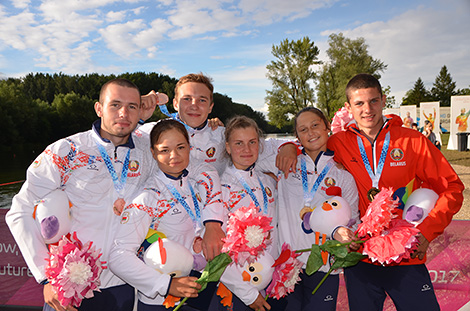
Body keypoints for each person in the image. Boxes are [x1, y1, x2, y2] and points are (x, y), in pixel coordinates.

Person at [5, 78, 160, 311]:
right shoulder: (66, 150)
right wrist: (45, 276)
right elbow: (20, 210)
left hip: (124, 284)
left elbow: (184, 133)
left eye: (132, 107)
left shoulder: (149, 151)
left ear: (140, 112)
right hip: (71, 284)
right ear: (99, 108)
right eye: (115, 105)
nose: (123, 113)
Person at [327, 73, 464, 311]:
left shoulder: (413, 141)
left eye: (373, 101)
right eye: (359, 103)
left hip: (406, 253)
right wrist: (288, 148)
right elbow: (307, 148)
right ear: (348, 107)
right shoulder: (338, 143)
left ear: (383, 100)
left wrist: (427, 231)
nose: (367, 109)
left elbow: (452, 187)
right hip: (360, 256)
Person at [109, 119, 224, 310]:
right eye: (164, 150)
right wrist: (167, 284)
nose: (174, 155)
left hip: (201, 294)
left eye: (180, 147)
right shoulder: (148, 197)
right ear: (153, 153)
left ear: (189, 147)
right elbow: (118, 256)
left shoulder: (200, 185)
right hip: (160, 302)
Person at [272, 107, 360, 311]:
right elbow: (253, 149)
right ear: (296, 136)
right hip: (287, 267)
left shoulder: (343, 174)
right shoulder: (285, 163)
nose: (310, 133)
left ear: (327, 126)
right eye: (303, 129)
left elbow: (352, 220)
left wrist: (348, 238)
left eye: (315, 125)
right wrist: (287, 146)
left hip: (323, 268)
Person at [208, 116, 280, 311]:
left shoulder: (268, 182)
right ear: (228, 148)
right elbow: (216, 250)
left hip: (271, 280)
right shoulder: (220, 189)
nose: (247, 150)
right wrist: (247, 293)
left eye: (252, 142)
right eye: (239, 143)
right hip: (240, 288)